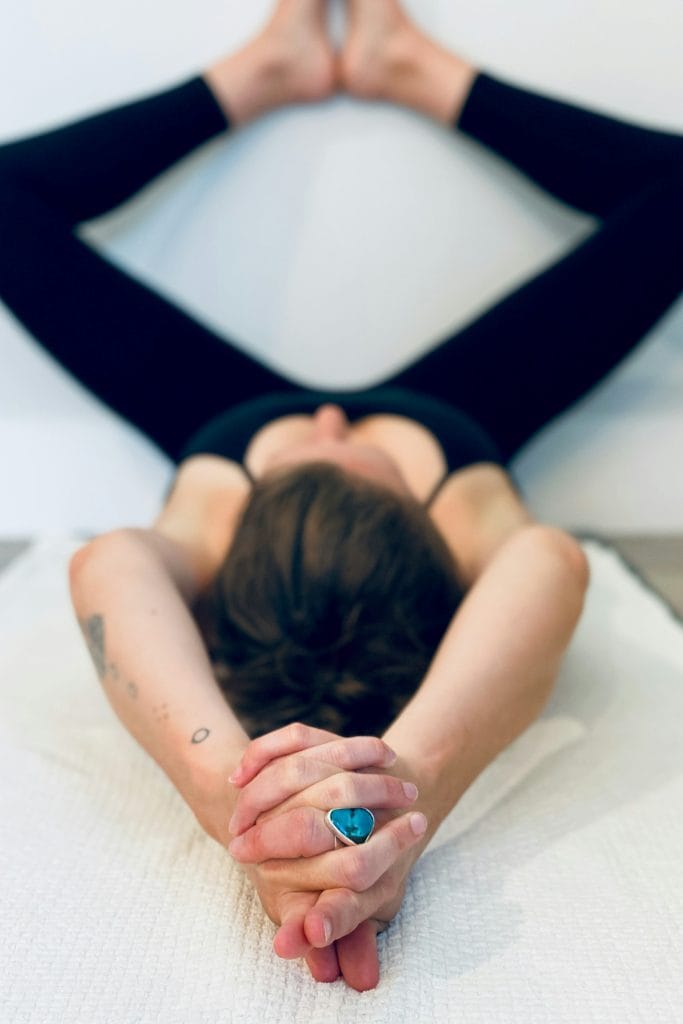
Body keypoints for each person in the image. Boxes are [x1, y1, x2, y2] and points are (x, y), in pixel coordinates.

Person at [0, 0, 681, 993]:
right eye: (347, 451)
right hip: (453, 414)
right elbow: (550, 565)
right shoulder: (463, 519)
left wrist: (225, 794)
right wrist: (401, 802)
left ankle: (259, 72)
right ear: (424, 525)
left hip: (223, 414)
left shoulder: (211, 515)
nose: (328, 419)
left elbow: (108, 563)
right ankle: (410, 64)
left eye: (311, 451)